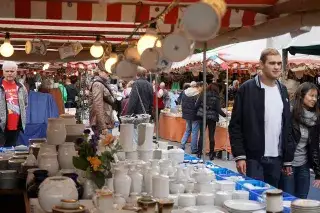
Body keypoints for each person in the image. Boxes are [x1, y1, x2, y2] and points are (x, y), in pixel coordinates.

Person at [228, 48, 294, 188]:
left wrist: (287, 158)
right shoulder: (247, 89)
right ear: (261, 64)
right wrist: (240, 155)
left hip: (277, 158)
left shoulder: (282, 90)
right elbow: (235, 125)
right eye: (272, 63)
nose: (276, 67)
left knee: (272, 200)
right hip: (253, 159)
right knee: (254, 199)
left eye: (278, 63)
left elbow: (287, 124)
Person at [280, 82, 320, 198]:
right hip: (288, 164)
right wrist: (285, 162)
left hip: (304, 165)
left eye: (316, 97)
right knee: (288, 199)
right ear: (302, 95)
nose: (314, 99)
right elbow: (284, 139)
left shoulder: (315, 118)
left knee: (302, 200)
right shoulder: (290, 112)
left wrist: (318, 173)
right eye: (311, 95)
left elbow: (314, 147)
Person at [0, 61, 28, 147]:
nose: (9, 73)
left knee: (10, 152)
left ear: (16, 72)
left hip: (15, 126)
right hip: (1, 126)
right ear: (3, 71)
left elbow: (25, 103)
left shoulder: (21, 87)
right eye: (7, 71)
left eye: (12, 71)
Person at [196, 82, 226, 160]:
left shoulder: (203, 94)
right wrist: (225, 115)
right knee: (211, 136)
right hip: (212, 118)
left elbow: (196, 105)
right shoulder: (216, 97)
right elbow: (218, 109)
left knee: (202, 135)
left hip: (202, 116)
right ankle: (211, 154)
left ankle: (199, 153)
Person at [89, 69, 115, 135]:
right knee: (104, 144)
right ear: (99, 72)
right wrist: (103, 126)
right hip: (102, 124)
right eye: (106, 72)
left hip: (105, 121)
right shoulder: (98, 84)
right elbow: (98, 105)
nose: (108, 74)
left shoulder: (101, 84)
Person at [180, 81, 201, 154]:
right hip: (195, 115)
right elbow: (198, 105)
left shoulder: (184, 92)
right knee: (195, 132)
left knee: (188, 129)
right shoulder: (197, 93)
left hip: (186, 114)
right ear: (196, 86)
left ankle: (182, 144)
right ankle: (194, 149)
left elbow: (182, 102)